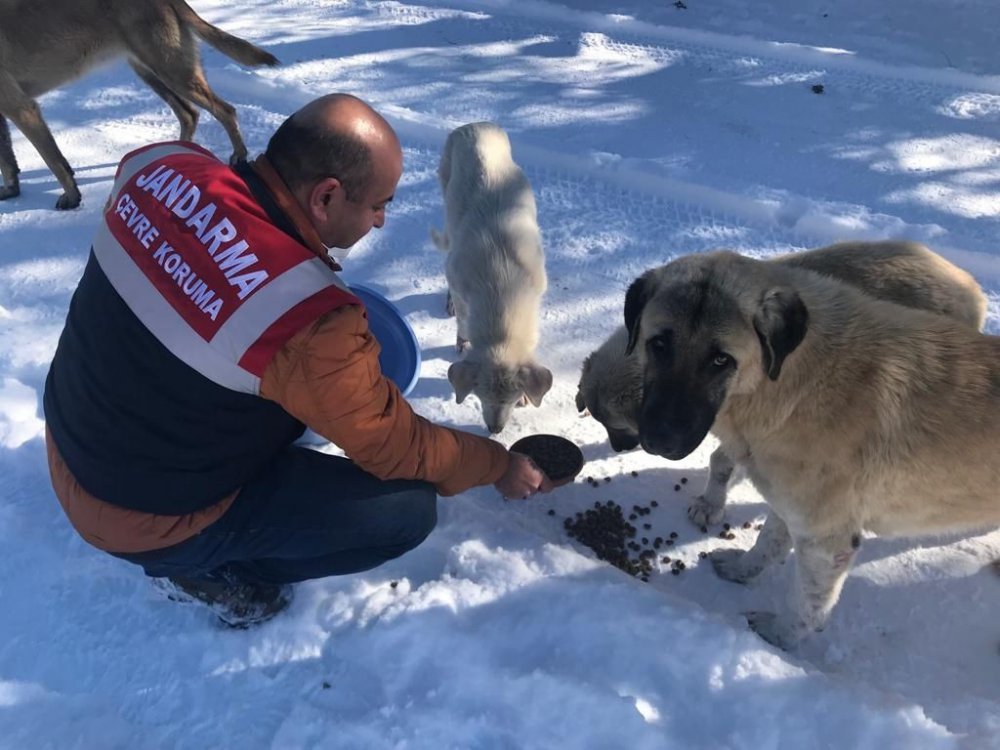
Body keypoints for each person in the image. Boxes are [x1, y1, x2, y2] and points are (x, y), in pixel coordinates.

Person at [43, 93, 553, 627]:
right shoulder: (306, 320)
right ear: (326, 196)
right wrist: (497, 463)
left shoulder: (160, 166)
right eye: (379, 204)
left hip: (73, 436)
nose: (380, 222)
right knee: (404, 513)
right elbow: (396, 446)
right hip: (140, 517)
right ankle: (210, 571)